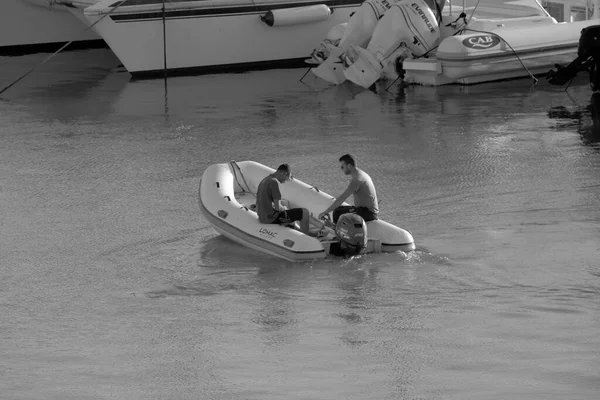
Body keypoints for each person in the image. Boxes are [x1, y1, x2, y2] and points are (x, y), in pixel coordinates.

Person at [318, 154, 379, 223]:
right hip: (365, 210)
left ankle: (337, 233)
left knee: (337, 213)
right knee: (338, 210)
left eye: (342, 167)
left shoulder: (357, 179)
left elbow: (342, 198)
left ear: (349, 166)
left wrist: (326, 212)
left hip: (367, 213)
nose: (341, 169)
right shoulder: (361, 174)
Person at [256, 163, 311, 234]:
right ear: (283, 174)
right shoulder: (274, 182)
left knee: (287, 209)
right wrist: (284, 208)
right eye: (287, 178)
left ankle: (298, 230)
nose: (286, 181)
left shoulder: (265, 180)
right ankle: (306, 237)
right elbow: (277, 207)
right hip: (270, 218)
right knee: (304, 212)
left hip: (262, 216)